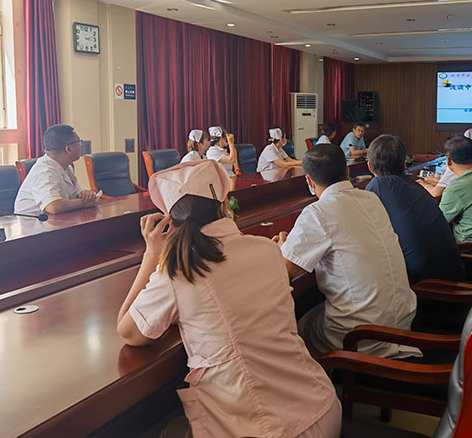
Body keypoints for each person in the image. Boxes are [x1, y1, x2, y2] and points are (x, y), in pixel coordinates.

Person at [117, 160, 340, 438]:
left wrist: (152, 255)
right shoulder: (267, 250)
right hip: (322, 406)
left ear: (170, 221)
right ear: (225, 204)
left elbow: (128, 332)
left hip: (269, 431)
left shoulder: (178, 271)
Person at [275, 143, 418, 359]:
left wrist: (281, 249)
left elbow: (284, 272)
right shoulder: (371, 198)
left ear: (309, 181)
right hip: (402, 323)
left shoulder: (318, 212)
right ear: (347, 171)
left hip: (360, 337)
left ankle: (328, 377)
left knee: (296, 327)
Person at [365, 134, 464, 284]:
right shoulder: (416, 187)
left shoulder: (378, 184)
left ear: (370, 167)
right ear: (405, 164)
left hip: (426, 286)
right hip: (454, 275)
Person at [15, 124, 98, 215]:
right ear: (69, 149)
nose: (81, 145)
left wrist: (85, 195)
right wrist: (83, 203)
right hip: (32, 222)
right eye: (79, 142)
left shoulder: (66, 166)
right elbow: (53, 206)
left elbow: (78, 194)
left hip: (56, 220)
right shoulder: (44, 170)